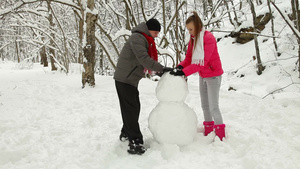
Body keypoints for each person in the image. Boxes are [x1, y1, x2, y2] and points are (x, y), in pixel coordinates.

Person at [114, 18, 173, 155]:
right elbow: (144, 59)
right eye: (155, 32)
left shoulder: (143, 38)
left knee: (133, 107)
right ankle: (135, 143)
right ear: (149, 29)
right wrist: (162, 69)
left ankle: (126, 133)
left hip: (129, 79)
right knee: (131, 109)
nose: (157, 35)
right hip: (125, 79)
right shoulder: (138, 38)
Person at [170, 11, 226, 141]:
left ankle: (220, 135)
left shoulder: (208, 38)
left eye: (191, 29)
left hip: (213, 76)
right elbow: (189, 58)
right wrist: (180, 67)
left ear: (197, 26)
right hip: (203, 76)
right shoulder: (193, 40)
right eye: (188, 29)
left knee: (213, 107)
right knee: (205, 106)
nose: (189, 32)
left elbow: (202, 62)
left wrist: (184, 73)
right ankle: (208, 130)